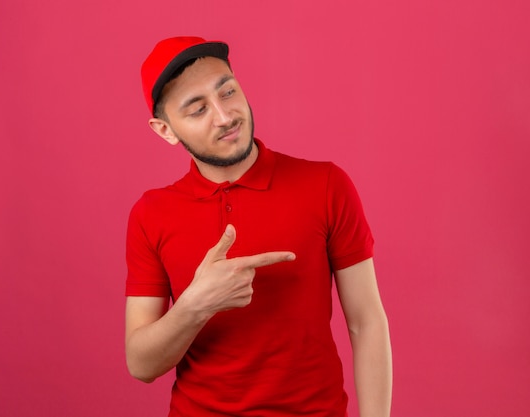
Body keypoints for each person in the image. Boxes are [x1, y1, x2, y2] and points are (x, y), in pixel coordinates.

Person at [125, 36, 392, 417]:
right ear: (166, 130)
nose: (225, 116)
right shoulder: (151, 214)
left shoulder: (326, 185)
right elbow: (140, 364)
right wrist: (195, 307)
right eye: (198, 109)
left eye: (228, 91)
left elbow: (367, 324)